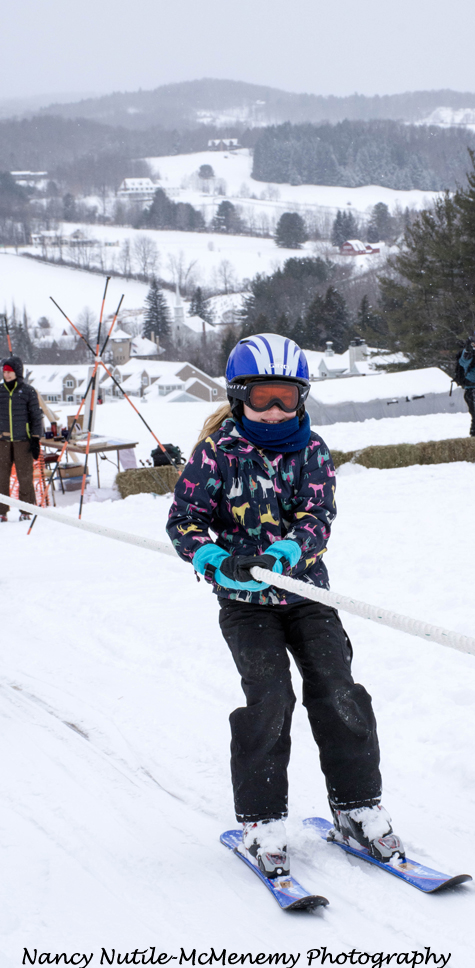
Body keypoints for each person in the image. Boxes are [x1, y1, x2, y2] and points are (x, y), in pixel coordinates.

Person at [166, 333, 404, 879]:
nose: (274, 412)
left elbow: (319, 514)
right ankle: (262, 822)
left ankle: (358, 805)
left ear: (302, 397)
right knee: (270, 698)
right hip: (245, 605)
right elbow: (182, 520)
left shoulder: (312, 450)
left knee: (338, 688)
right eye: (261, 398)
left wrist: (293, 547)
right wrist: (209, 556)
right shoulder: (215, 454)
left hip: (305, 594)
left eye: (286, 398)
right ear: (237, 396)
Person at [0, 356, 43, 523]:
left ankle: (26, 510)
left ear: (17, 372)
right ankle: (2, 511)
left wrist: (35, 438)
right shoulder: (0, 391)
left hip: (23, 441)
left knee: (24, 477)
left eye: (10, 372)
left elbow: (36, 417)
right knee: (1, 477)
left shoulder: (28, 391)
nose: (7, 375)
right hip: (2, 441)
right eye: (4, 372)